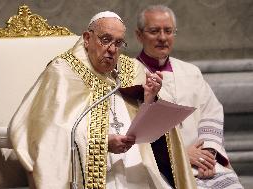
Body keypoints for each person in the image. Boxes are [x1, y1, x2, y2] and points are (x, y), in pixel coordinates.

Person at [9, 11, 170, 189]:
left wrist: (149, 99)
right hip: (93, 176)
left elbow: (150, 132)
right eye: (106, 39)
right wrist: (102, 143)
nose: (112, 49)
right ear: (87, 38)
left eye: (118, 43)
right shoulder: (62, 71)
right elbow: (49, 133)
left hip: (136, 169)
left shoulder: (130, 69)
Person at [133, 4, 244, 189]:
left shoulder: (191, 72)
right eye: (154, 31)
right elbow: (135, 132)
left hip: (203, 165)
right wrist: (180, 155)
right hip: (158, 168)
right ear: (139, 35)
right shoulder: (130, 75)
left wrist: (207, 155)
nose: (162, 37)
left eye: (168, 31)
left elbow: (211, 112)